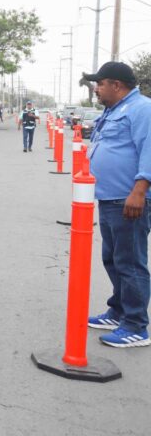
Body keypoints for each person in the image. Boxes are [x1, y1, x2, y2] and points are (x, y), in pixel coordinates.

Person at [82, 62, 151, 348]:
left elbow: (149, 148)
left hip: (129, 199)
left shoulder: (142, 108)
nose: (95, 89)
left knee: (130, 262)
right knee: (112, 259)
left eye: (99, 84)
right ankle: (119, 310)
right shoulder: (113, 110)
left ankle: (136, 325)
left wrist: (140, 190)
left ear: (116, 85)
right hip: (109, 198)